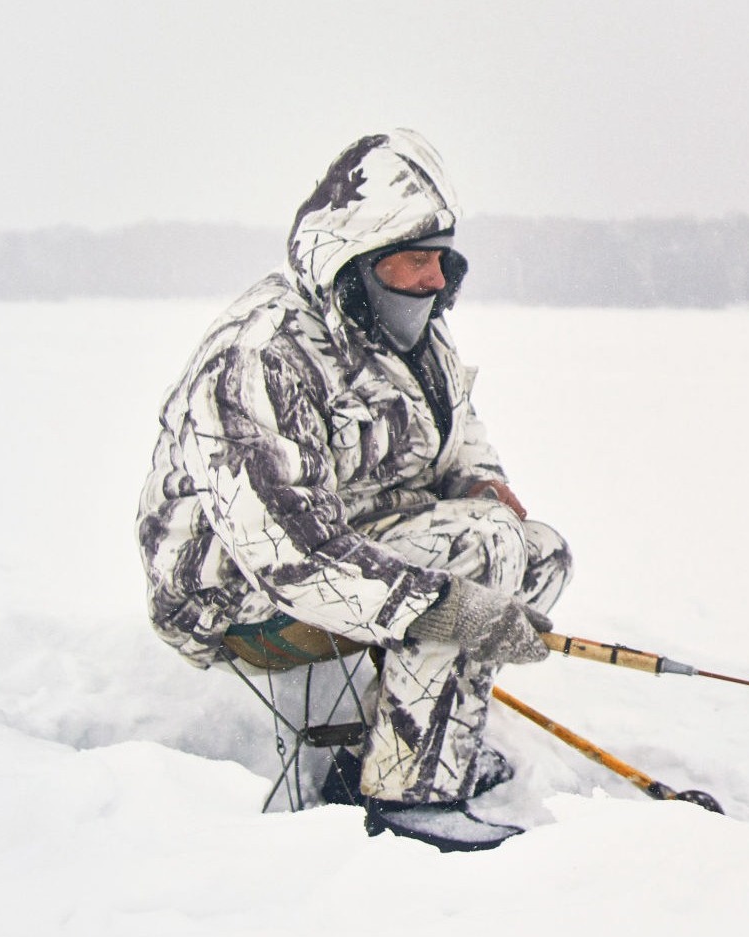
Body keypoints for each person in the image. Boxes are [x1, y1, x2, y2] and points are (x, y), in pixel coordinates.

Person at [136, 130, 570, 852]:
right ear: (355, 262)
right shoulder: (261, 354)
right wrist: (443, 603)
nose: (433, 279)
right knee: (480, 553)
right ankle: (411, 798)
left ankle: (400, 745)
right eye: (414, 260)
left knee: (538, 553)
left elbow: (456, 425)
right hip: (231, 588)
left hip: (348, 538)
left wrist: (479, 479)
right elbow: (287, 554)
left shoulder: (409, 332)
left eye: (441, 259)